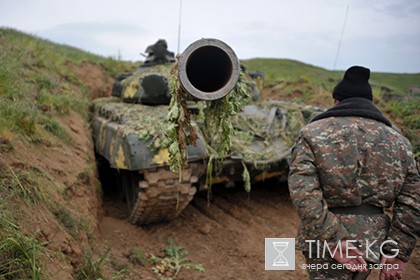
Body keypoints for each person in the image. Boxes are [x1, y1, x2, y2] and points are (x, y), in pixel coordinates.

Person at [288, 66, 419, 279]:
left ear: (337, 101)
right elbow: (412, 201)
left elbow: (303, 192)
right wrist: (396, 251)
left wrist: (334, 239)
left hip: (324, 240)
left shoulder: (312, 133)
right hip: (373, 241)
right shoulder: (401, 143)